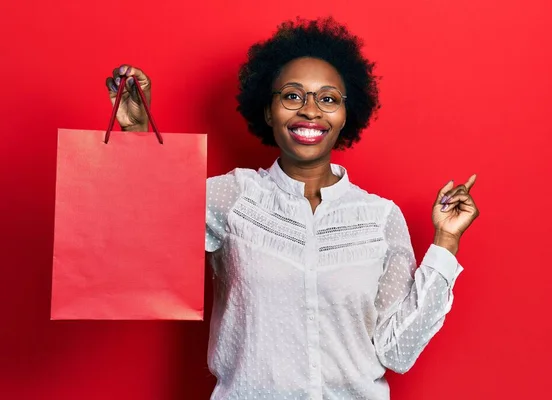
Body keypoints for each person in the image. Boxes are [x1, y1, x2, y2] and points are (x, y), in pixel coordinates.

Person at [105, 17, 479, 400]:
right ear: (269, 111)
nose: (311, 111)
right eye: (293, 96)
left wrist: (446, 242)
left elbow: (396, 352)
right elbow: (147, 222)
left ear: (345, 116)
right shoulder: (233, 196)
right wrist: (135, 134)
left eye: (328, 98)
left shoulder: (380, 218)